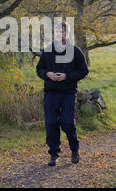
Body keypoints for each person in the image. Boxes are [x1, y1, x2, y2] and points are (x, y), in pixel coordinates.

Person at [36, 21, 89, 166]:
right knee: (51, 123)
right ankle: (54, 154)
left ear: (68, 33)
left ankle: (74, 149)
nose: (61, 34)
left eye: (63, 31)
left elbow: (84, 71)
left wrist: (67, 76)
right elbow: (39, 69)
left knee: (67, 123)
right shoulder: (47, 50)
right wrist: (48, 74)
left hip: (68, 92)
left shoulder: (75, 51)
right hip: (51, 93)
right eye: (58, 31)